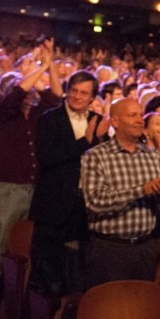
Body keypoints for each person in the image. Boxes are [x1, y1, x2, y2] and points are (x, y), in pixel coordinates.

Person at [0, 53, 60, 319]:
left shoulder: (38, 115)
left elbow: (56, 97)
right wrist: (38, 69)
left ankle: (21, 296)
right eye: (24, 88)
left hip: (35, 190)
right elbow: (18, 91)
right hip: (6, 190)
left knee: (28, 248)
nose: (28, 92)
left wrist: (50, 67)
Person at [80, 97, 160, 287]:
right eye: (132, 115)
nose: (140, 120)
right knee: (111, 311)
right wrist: (141, 190)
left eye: (141, 115)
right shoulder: (96, 156)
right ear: (115, 121)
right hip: (110, 250)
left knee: (142, 309)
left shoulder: (151, 156)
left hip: (145, 248)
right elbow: (94, 202)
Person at [29, 70, 108, 296]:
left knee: (77, 275)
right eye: (73, 91)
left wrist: (100, 138)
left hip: (85, 207)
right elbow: (48, 157)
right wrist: (86, 141)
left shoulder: (98, 122)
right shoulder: (49, 118)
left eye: (84, 93)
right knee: (46, 274)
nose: (77, 96)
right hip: (52, 205)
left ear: (93, 98)